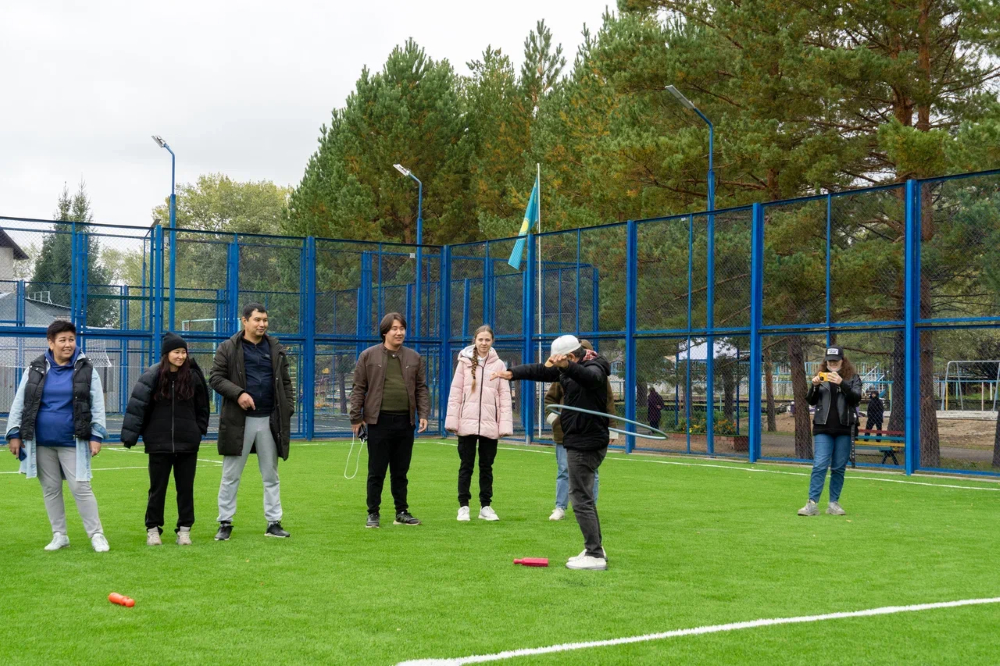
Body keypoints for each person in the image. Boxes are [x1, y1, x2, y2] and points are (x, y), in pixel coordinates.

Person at [494, 334, 612, 571]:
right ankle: (595, 548)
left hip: (587, 442)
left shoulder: (595, 367)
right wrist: (513, 373)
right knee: (584, 497)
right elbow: (541, 371)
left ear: (571, 356)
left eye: (562, 361)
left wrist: (566, 366)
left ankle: (595, 554)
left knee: (580, 499)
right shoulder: (569, 370)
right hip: (578, 439)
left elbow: (591, 378)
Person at [4, 320, 110, 552]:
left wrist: (96, 435)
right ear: (50, 343)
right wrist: (14, 433)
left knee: (81, 487)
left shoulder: (86, 369)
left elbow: (97, 403)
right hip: (41, 442)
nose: (68, 344)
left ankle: (96, 534)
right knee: (50, 489)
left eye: (71, 339)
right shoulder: (34, 369)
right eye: (62, 340)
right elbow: (20, 401)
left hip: (74, 440)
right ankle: (59, 535)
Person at [210, 303, 294, 541]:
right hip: (239, 421)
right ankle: (225, 522)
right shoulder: (228, 347)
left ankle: (274, 522)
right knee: (230, 475)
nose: (262, 324)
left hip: (270, 421)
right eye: (257, 320)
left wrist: (288, 408)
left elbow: (286, 382)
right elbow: (215, 378)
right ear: (244, 321)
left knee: (271, 475)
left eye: (265, 320)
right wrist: (239, 394)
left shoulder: (275, 347)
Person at [121, 333, 210, 546]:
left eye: (183, 352)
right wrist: (130, 435)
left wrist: (197, 431)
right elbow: (137, 406)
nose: (180, 356)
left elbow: (203, 407)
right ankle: (153, 529)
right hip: (158, 443)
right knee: (157, 488)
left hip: (187, 443)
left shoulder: (194, 377)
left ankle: (184, 530)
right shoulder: (152, 375)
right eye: (176, 352)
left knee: (185, 488)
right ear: (166, 354)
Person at [351, 313, 430, 529]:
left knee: (400, 471)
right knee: (376, 470)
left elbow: (421, 388)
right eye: (394, 328)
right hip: (378, 421)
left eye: (402, 328)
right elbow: (359, 388)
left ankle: (401, 512)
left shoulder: (414, 358)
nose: (399, 332)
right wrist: (356, 418)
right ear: (385, 331)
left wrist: (423, 414)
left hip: (405, 422)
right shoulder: (368, 356)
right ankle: (373, 513)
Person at [444, 325, 513, 522]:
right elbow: (455, 393)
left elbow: (504, 396)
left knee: (486, 466)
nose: (483, 343)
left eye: (487, 340)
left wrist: (504, 425)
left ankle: (486, 506)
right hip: (466, 424)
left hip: (490, 424)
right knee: (466, 465)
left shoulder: (499, 365)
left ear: (492, 342)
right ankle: (463, 506)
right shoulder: (463, 363)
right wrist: (453, 420)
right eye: (480, 339)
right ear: (475, 340)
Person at [544, 339, 612, 522]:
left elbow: (609, 403)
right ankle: (560, 507)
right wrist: (557, 421)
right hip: (565, 432)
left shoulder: (597, 375)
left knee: (591, 472)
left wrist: (612, 430)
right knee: (564, 470)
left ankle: (588, 507)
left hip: (591, 432)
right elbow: (549, 400)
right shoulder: (562, 375)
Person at [798, 345, 862, 517]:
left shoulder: (853, 377)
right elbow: (810, 401)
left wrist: (842, 383)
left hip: (845, 427)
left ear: (842, 360)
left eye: (835, 361)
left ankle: (833, 503)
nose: (832, 364)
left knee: (839, 467)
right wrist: (815, 386)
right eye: (829, 361)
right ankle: (812, 504)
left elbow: (856, 398)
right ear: (825, 362)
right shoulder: (820, 377)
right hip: (822, 427)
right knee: (819, 465)